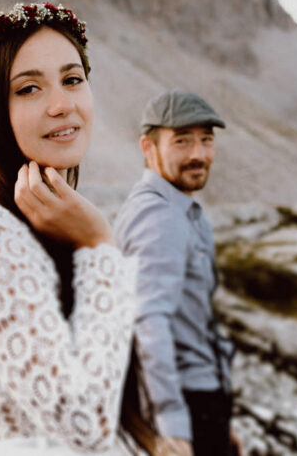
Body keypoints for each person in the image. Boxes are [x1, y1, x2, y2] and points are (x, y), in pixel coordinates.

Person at [0, 3, 144, 454]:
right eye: (28, 88)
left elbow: (104, 372)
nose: (61, 105)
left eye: (72, 80)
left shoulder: (49, 219)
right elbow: (84, 425)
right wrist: (99, 246)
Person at [114, 90, 240, 456]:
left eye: (206, 140)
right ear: (147, 147)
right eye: (182, 141)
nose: (198, 154)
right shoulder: (160, 217)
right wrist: (174, 428)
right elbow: (149, 322)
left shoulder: (177, 210)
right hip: (187, 406)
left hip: (202, 406)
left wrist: (221, 423)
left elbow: (192, 324)